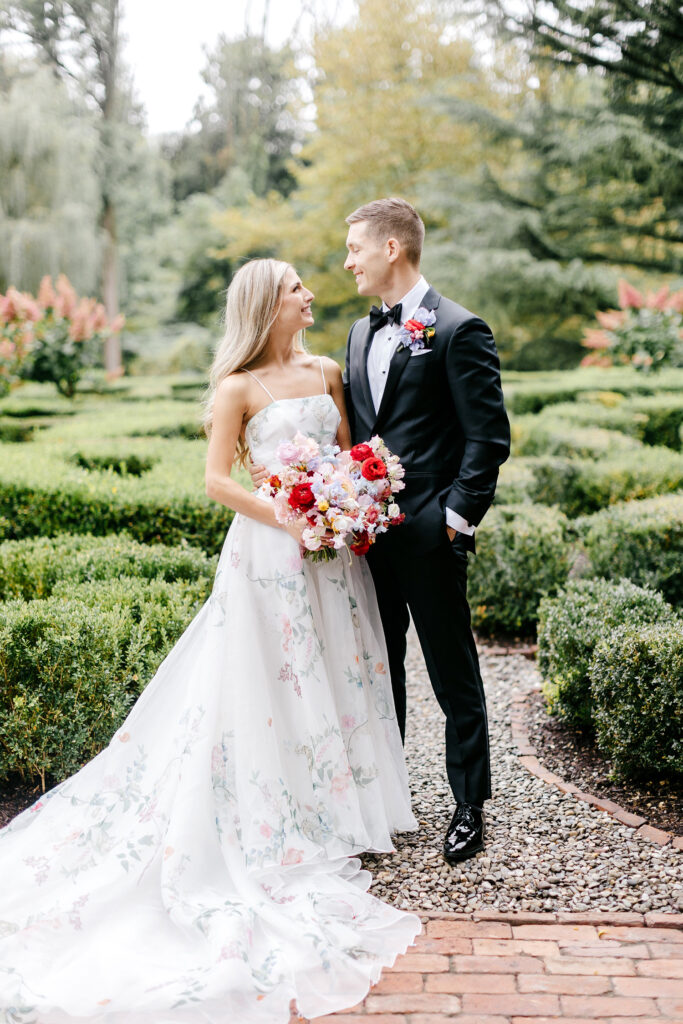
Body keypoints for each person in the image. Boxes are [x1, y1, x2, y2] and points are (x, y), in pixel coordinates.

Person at [0, 259, 420, 1024]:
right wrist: (287, 514)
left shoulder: (327, 370)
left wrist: (349, 499)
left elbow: (353, 453)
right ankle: (284, 815)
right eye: (296, 286)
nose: (309, 293)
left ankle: (346, 807)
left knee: (336, 670)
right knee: (271, 682)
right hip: (269, 552)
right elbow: (217, 480)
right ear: (267, 304)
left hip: (331, 554)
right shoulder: (237, 388)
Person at [343, 198, 511, 864]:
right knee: (377, 671)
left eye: (355, 247)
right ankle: (386, 803)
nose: (348, 260)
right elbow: (360, 432)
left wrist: (454, 517)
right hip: (364, 538)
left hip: (429, 534)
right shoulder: (358, 334)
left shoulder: (460, 329)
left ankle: (468, 805)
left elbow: (486, 438)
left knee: (452, 671)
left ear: (391, 248)